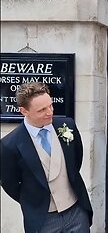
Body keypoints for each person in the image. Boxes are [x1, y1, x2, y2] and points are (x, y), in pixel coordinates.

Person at [1, 82, 93, 233]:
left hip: (76, 211)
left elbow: (76, 160)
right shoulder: (10, 144)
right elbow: (10, 184)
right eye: (42, 110)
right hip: (43, 220)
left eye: (50, 105)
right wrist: (34, 201)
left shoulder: (67, 125)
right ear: (24, 111)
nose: (49, 112)